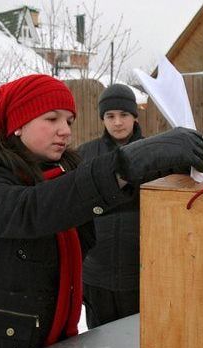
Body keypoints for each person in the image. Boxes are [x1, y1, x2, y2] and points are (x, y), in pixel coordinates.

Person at [0, 74, 203, 348]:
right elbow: (38, 209)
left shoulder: (60, 173)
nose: (65, 130)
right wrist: (133, 158)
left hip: (57, 347)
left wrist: (171, 160)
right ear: (18, 124)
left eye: (69, 120)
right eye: (51, 118)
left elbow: (111, 197)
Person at [77, 83, 144, 328]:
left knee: (137, 346)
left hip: (139, 275)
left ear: (135, 116)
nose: (117, 122)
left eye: (124, 114)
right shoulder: (84, 155)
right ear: (102, 119)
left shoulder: (155, 153)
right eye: (110, 116)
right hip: (96, 275)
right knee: (100, 345)